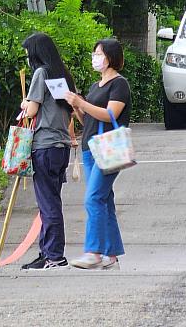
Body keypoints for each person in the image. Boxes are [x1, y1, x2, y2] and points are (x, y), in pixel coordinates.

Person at [64, 38, 131, 270]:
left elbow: (110, 114)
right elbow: (89, 120)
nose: (95, 57)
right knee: (104, 200)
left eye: (99, 53)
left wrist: (82, 104)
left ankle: (93, 251)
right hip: (90, 147)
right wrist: (77, 107)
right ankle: (111, 254)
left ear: (110, 57)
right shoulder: (95, 86)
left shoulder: (119, 84)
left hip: (109, 148)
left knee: (94, 198)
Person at [19, 32, 77, 270]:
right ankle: (47, 251)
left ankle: (53, 255)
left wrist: (24, 104)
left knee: (48, 203)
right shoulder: (63, 75)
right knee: (51, 200)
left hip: (44, 144)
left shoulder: (40, 73)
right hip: (61, 146)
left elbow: (32, 110)